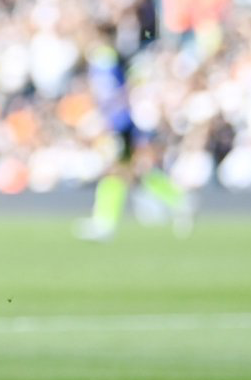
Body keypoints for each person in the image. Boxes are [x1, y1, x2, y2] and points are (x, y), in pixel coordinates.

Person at [77, 32, 192, 241]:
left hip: (120, 123)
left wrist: (105, 121)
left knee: (116, 172)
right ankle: (179, 201)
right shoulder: (105, 58)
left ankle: (104, 223)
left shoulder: (103, 59)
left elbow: (112, 93)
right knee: (132, 171)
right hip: (122, 122)